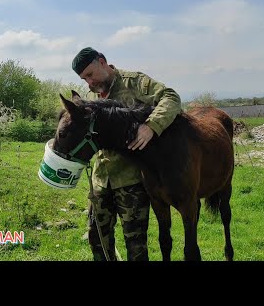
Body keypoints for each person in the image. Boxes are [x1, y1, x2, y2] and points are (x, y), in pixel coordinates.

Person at [71, 47, 182, 261]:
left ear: (102, 62)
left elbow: (171, 97)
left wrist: (151, 126)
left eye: (90, 75)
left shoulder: (134, 82)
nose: (89, 83)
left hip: (131, 180)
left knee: (135, 244)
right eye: (84, 79)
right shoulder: (92, 97)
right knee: (97, 239)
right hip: (101, 179)